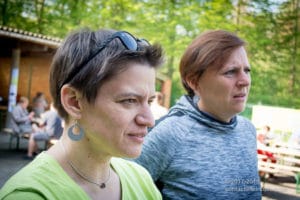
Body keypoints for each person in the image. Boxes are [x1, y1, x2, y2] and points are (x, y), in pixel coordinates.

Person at [0, 28, 164, 199]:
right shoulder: (29, 195)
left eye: (150, 101)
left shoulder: (141, 180)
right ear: (74, 102)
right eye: (129, 100)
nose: (150, 120)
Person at [135, 30, 262, 199]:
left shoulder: (248, 131)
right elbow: (120, 187)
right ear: (194, 81)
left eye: (247, 70)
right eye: (230, 71)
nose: (245, 81)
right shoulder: (171, 133)